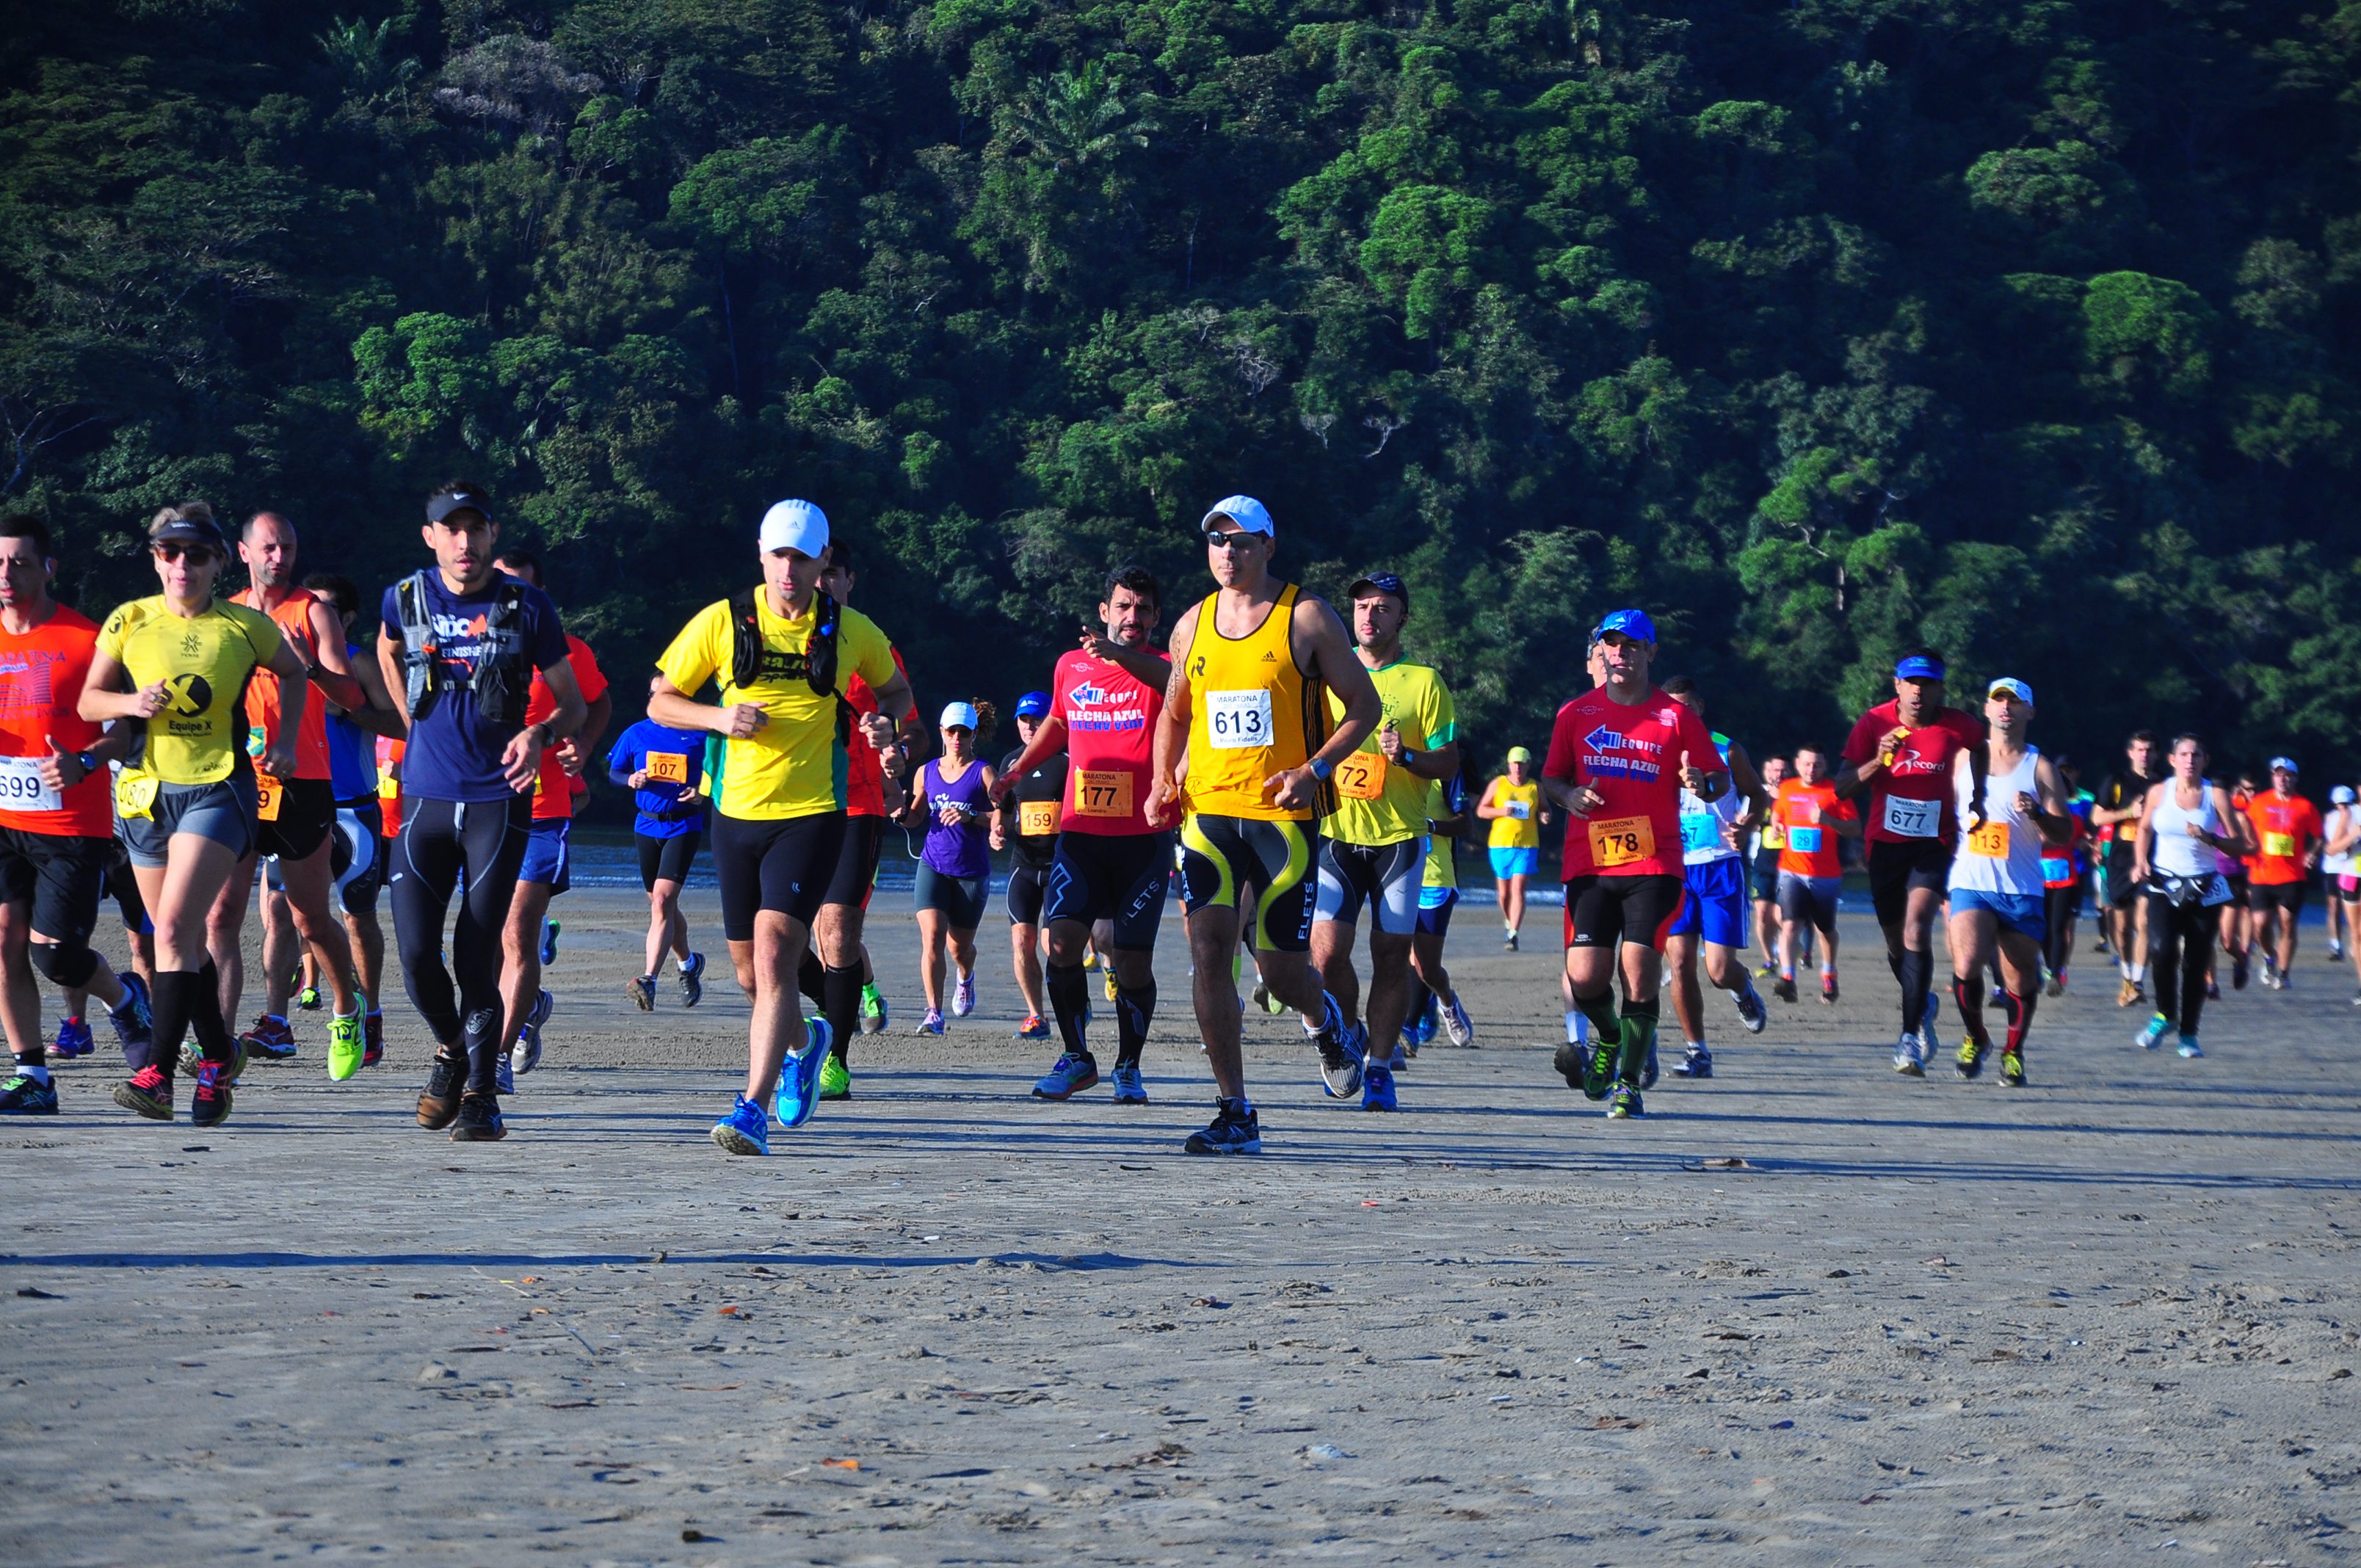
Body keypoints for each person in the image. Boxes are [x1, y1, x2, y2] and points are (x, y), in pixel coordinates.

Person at [649, 498, 912, 1155]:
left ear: (824, 561)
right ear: (761, 556)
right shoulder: (724, 622)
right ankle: (808, 1040)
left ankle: (751, 1110)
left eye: (801, 557)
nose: (788, 569)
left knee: (774, 956)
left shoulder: (851, 629)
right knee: (748, 976)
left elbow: (898, 693)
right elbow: (660, 698)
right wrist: (718, 718)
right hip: (735, 816)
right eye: (778, 555)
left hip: (812, 816)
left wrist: (888, 724)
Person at [1147, 496, 1379, 1154]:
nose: (1228, 553)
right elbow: (1175, 712)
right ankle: (1235, 1111)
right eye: (1217, 542)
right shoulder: (1191, 624)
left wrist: (1315, 769)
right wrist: (1165, 780)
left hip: (1283, 817)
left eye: (1242, 542)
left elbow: (1364, 704)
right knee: (1207, 953)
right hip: (1208, 814)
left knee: (1279, 972)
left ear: (1268, 547)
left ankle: (1326, 1019)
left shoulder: (1306, 617)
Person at [377, 483, 587, 1143]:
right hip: (425, 799)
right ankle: (449, 1052)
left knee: (476, 956)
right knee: (413, 955)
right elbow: (386, 649)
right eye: (451, 529)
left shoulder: (528, 605)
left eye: (475, 529)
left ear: (492, 534)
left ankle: (481, 1095)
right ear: (430, 536)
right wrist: (407, 712)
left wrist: (540, 735)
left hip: (499, 801)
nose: (463, 543)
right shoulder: (404, 598)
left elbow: (574, 704)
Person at [88, 504, 310, 1126]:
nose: (182, 564)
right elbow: (88, 701)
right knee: (174, 938)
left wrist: (286, 740)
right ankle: (217, 1057)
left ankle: (157, 1075)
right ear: (155, 558)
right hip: (145, 792)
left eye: (196, 554)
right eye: (169, 552)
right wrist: (131, 700)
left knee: (179, 925)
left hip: (219, 788)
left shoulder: (244, 626)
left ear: (217, 562)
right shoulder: (129, 620)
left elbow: (295, 674)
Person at [990, 565, 1175, 1106]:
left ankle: (1128, 1066)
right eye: (1123, 607)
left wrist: (1118, 657)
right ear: (1105, 611)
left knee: (1132, 960)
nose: (1132, 617)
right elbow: (1058, 723)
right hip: (1081, 832)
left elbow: (1177, 689)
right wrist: (1017, 770)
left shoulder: (1167, 666)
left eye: (1143, 609)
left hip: (1144, 838)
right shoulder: (1071, 665)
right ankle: (1076, 1057)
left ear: (1156, 617)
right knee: (1063, 941)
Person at [1541, 609, 1727, 1119]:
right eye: (1611, 644)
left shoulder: (1676, 716)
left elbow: (1717, 778)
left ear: (1651, 652)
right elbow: (1550, 779)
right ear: (1601, 650)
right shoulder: (1576, 713)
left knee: (1640, 972)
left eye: (1631, 645)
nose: (1620, 653)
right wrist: (1570, 795)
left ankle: (1628, 1084)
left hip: (1655, 862)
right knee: (1584, 978)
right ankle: (1608, 1038)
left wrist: (1702, 784)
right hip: (1590, 863)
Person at [0, 517, 155, 1115]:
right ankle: (33, 1076)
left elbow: (127, 728)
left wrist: (87, 761)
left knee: (54, 956)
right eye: (0, 563)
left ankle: (125, 1000)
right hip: (5, 821)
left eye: (20, 562)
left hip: (70, 825)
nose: (8, 575)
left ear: (48, 568)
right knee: (6, 945)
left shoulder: (84, 639)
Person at [209, 512, 371, 1079]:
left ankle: (346, 1009)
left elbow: (351, 695)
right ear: (244, 552)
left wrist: (309, 668)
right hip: (235, 779)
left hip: (302, 782)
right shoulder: (224, 613)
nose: (280, 557)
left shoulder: (313, 610)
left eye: (289, 547)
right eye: (270, 547)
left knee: (307, 919)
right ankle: (219, 1044)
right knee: (222, 915)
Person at [1308, 572, 1459, 1112]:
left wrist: (1408, 759)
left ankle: (1378, 1068)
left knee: (1392, 957)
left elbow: (1450, 762)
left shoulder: (1425, 682)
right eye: (1362, 606)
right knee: (1325, 958)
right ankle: (1346, 1035)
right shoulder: (1325, 673)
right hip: (1335, 834)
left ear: (1402, 619)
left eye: (1383, 608)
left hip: (1399, 841)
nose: (1370, 616)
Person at [491, 547, 612, 1083]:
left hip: (543, 809)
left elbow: (599, 703)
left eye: (521, 588)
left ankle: (494, 1058)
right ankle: (531, 1006)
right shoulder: (460, 647)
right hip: (478, 808)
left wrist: (582, 747)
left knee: (517, 933)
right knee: (485, 936)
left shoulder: (566, 653)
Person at [1833, 650, 1984, 1076]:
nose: (1920, 691)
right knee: (1897, 944)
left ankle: (1908, 1038)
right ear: (1897, 686)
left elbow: (1990, 757)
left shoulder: (1961, 726)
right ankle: (1924, 1003)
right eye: (1912, 683)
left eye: (1929, 684)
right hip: (1884, 845)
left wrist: (1979, 801)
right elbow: (1842, 789)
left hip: (1934, 844)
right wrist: (1876, 761)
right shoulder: (1874, 723)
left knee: (1919, 926)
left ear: (1940, 689)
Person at [807, 540, 915, 1095]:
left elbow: (909, 722)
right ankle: (834, 1005)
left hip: (857, 805)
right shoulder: (779, 640)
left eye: (833, 575)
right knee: (775, 940)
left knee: (839, 932)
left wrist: (893, 746)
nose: (822, 583)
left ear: (850, 581)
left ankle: (836, 1060)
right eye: (814, 572)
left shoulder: (871, 644)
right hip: (792, 802)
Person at [1942, 679, 2072, 1087]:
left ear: (2029, 713)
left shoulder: (2041, 767)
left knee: (2021, 980)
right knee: (1966, 964)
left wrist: (2037, 814)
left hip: (2021, 888)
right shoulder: (1964, 760)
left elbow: (2065, 832)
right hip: (1970, 879)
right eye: (1999, 700)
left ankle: (2013, 1051)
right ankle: (1976, 1037)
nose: (2006, 708)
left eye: (2015, 703)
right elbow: (1943, 816)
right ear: (1986, 708)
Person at [302, 573, 399, 1067]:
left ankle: (372, 1012)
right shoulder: (285, 660)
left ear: (348, 618)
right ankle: (300, 1013)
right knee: (296, 918)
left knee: (357, 920)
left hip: (354, 809)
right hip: (295, 803)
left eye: (327, 609)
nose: (315, 615)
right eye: (308, 606)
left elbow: (400, 722)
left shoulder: (360, 662)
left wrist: (352, 710)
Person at [1658, 677, 1769, 1083]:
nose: (1680, 716)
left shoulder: (1728, 749)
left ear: (1700, 708)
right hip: (1675, 868)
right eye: (1672, 709)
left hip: (1720, 866)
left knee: (1720, 971)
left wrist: (1748, 826)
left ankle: (1745, 993)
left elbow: (1758, 796)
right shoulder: (1656, 753)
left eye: (1687, 708)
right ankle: (1697, 1051)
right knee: (1682, 962)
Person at [2133, 735, 2246, 1058]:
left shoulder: (2217, 796)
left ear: (2205, 760)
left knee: (2196, 963)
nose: (2190, 760)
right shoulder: (2159, 792)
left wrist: (2210, 838)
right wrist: (2141, 860)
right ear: (2172, 759)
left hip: (2204, 886)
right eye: (2183, 754)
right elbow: (2144, 829)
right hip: (2164, 883)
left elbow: (2238, 845)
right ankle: (2165, 1014)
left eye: (2196, 755)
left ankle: (2189, 1034)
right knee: (2161, 949)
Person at [607, 715, 714, 1011]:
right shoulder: (636, 731)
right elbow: (614, 772)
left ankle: (649, 979)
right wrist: (630, 779)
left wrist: (703, 791)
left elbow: (721, 769)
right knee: (661, 904)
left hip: (683, 825)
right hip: (646, 825)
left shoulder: (699, 731)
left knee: (663, 900)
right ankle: (689, 964)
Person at [906, 702, 996, 1035]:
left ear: (974, 735)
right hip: (933, 865)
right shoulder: (926, 771)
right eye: (951, 731)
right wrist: (902, 815)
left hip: (970, 870)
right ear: (942, 732)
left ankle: (965, 976)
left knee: (959, 948)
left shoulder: (983, 772)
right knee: (932, 939)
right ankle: (934, 1013)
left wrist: (972, 817)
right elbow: (915, 816)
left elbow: (1004, 819)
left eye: (964, 732)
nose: (957, 737)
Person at [995, 691, 1064, 1042]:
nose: (1030, 726)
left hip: (1059, 867)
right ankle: (1037, 1015)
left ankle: (1072, 1000)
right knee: (1022, 942)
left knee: (1054, 946)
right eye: (1024, 720)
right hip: (1023, 865)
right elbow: (1005, 810)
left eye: (1037, 719)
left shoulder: (1066, 759)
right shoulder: (1011, 762)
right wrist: (998, 829)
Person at [1770, 745, 1856, 1007]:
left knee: (1825, 930)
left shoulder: (1836, 791)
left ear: (1825, 765)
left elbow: (1854, 828)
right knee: (1791, 925)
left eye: (1817, 765)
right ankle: (1788, 978)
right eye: (1807, 764)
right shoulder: (1788, 788)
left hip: (1825, 875)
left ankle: (1829, 972)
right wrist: (1775, 826)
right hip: (1792, 871)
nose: (1811, 770)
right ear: (1797, 764)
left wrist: (1829, 820)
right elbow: (1778, 813)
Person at [1401, 772, 1476, 1056]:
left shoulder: (1444, 770)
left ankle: (1446, 1001)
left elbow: (1466, 823)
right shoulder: (1388, 766)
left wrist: (1430, 826)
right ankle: (1406, 1029)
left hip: (1434, 877)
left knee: (1426, 966)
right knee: (1399, 956)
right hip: (1397, 873)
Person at [2092, 732, 2164, 1006]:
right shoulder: (2117, 782)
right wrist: (2128, 814)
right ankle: (2126, 974)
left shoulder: (2164, 785)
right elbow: (2097, 817)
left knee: (2143, 921)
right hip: (2121, 860)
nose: (2144, 755)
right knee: (2121, 928)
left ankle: (2137, 981)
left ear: (2157, 755)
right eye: (2139, 749)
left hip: (2153, 859)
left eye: (2149, 750)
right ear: (2130, 753)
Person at [2244, 757, 2323, 990]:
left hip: (2292, 875)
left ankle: (2284, 972)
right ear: (2273, 777)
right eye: (2279, 774)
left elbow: (2318, 836)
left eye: (2288, 775)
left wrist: (2312, 852)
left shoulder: (2305, 806)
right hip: (2261, 874)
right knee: (2260, 924)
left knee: (2288, 922)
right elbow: (2245, 826)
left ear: (2295, 779)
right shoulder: (2259, 803)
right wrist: (2248, 847)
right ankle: (2269, 958)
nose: (2283, 779)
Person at [1477, 748, 1544, 949]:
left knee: (1519, 889)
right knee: (1504, 893)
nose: (1517, 767)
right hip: (1500, 844)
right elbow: (1481, 810)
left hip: (1527, 845)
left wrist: (1544, 816)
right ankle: (1508, 921)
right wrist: (1502, 811)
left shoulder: (1535, 787)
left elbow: (1545, 809)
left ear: (1529, 765)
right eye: (1514, 763)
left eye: (1522, 764)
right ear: (1508, 765)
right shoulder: (1498, 784)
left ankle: (1513, 934)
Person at [2039, 755, 2094, 997]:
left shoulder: (2074, 818)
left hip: (2065, 878)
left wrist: (2085, 844)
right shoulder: (2037, 817)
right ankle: (2050, 966)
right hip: (2038, 876)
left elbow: (2081, 838)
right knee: (2043, 927)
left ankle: (2055, 971)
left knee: (2058, 926)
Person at [1748, 753, 1790, 977]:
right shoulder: (1760, 797)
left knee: (1780, 916)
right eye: (1775, 770)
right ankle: (1769, 960)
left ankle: (1790, 948)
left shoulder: (1794, 796)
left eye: (1783, 770)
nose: (1779, 775)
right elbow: (1745, 820)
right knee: (1762, 914)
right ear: (1767, 772)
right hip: (1762, 863)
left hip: (1789, 864)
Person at [2326, 785, 2361, 1003]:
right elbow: (2332, 849)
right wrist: (2356, 834)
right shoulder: (2349, 813)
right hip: (2353, 876)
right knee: (2357, 934)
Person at [2323, 783, 2355, 964]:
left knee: (2351, 908)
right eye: (2340, 804)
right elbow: (2327, 843)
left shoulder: (2355, 818)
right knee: (2333, 906)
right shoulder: (2329, 817)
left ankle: (2354, 940)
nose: (2344, 807)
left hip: (2350, 867)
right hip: (2333, 868)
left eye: (2347, 804)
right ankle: (2335, 943)